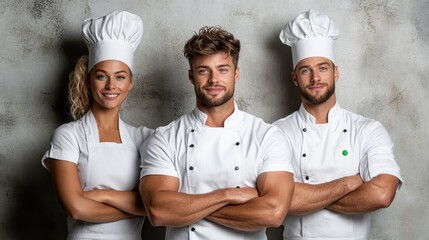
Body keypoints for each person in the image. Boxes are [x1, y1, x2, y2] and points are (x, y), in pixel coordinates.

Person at [139, 26, 295, 240]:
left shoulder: (266, 135)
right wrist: (229, 194)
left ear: (236, 74)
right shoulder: (165, 138)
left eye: (223, 69)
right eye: (203, 70)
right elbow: (158, 211)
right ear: (191, 76)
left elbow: (273, 213)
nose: (214, 80)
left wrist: (187, 207)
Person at [274, 9, 403, 240]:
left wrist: (307, 197)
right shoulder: (277, 133)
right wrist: (350, 183)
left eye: (323, 68)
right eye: (306, 70)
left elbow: (382, 194)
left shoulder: (367, 129)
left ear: (335, 72)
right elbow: (279, 201)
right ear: (295, 77)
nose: (315, 78)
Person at [42, 11, 153, 240]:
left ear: (130, 83)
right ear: (89, 80)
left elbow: (160, 205)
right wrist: (138, 206)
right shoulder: (68, 136)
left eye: (120, 77)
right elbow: (76, 208)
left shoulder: (145, 138)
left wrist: (102, 195)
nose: (111, 85)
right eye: (101, 76)